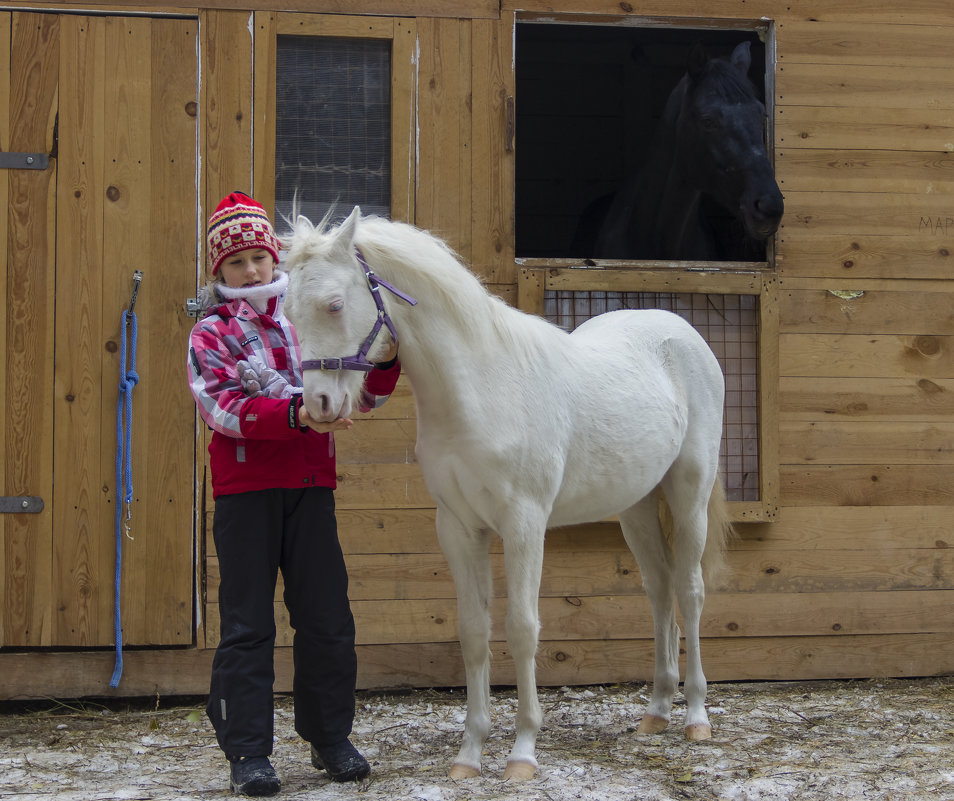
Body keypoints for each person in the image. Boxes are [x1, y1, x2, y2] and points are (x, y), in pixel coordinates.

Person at [187, 192, 400, 796]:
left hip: (311, 488)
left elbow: (357, 392)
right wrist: (296, 415)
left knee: (327, 620)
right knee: (248, 624)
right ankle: (248, 752)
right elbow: (221, 408)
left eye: (259, 256)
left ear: (273, 256)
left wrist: (384, 362)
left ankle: (331, 738)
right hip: (247, 494)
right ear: (219, 272)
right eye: (237, 263)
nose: (252, 270)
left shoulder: (301, 315)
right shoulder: (212, 332)